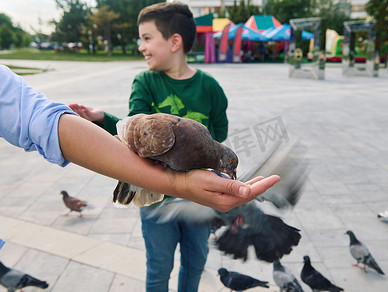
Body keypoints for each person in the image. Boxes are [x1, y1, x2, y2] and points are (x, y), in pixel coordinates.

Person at [69, 2, 251, 292]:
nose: (142, 46)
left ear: (174, 41)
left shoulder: (210, 88)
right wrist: (103, 119)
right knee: (159, 267)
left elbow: (219, 136)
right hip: (156, 198)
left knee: (195, 264)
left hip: (198, 200)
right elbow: (134, 134)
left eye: (147, 38)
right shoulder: (146, 82)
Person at [0, 64, 280, 213]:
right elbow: (133, 127)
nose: (230, 171)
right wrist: (176, 183)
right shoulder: (149, 88)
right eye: (230, 165)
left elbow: (40, 120)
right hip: (148, 153)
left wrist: (181, 183)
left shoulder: (207, 122)